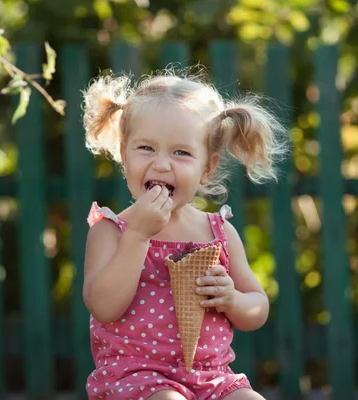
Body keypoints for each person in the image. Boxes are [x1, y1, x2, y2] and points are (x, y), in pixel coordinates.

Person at [81, 67, 290, 400]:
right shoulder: (111, 231)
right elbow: (103, 307)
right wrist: (137, 237)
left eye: (181, 153)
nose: (162, 165)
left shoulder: (218, 232)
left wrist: (233, 300)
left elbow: (258, 308)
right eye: (146, 148)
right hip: (135, 378)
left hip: (213, 378)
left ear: (207, 168)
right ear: (124, 154)